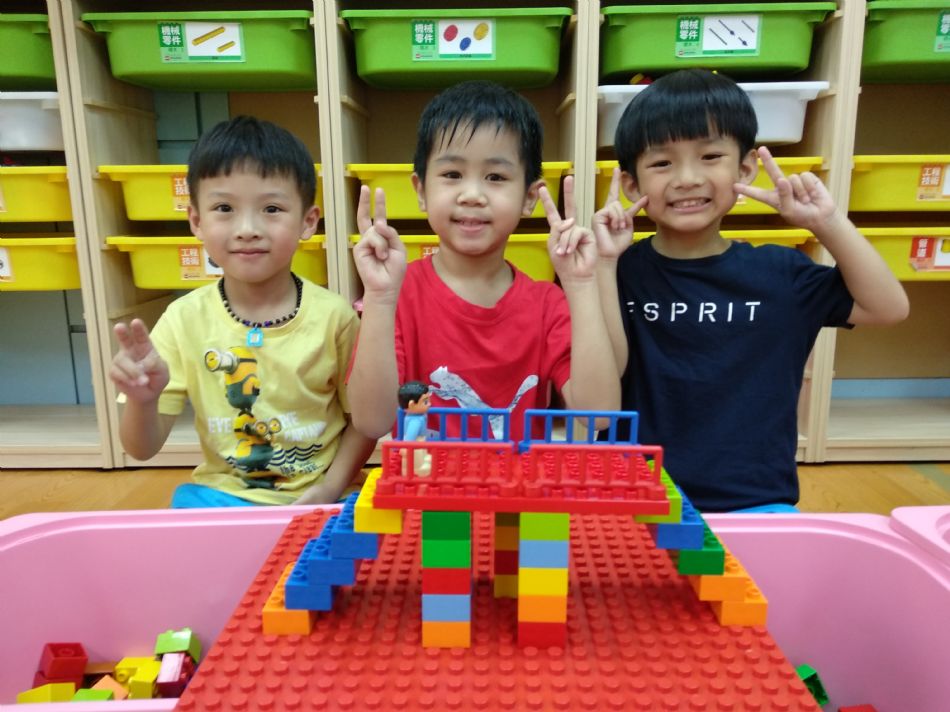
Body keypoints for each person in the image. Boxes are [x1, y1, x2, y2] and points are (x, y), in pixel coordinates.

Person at [594, 69, 909, 512]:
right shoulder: (616, 269)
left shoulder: (780, 274)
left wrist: (827, 222)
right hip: (635, 496)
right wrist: (602, 266)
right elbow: (599, 388)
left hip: (756, 500)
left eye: (710, 156)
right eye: (662, 163)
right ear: (632, 185)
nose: (687, 178)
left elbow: (887, 308)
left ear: (744, 170)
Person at [109, 116, 374, 507]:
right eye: (224, 208)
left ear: (308, 222)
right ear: (196, 221)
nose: (247, 228)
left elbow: (365, 424)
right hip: (222, 497)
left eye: (271, 208)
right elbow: (141, 449)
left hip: (325, 494)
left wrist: (329, 489)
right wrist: (142, 401)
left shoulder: (335, 318)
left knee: (373, 526)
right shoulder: (183, 320)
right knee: (185, 514)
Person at [348, 80, 619, 443]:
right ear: (420, 191)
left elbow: (599, 415)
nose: (472, 195)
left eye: (495, 177)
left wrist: (581, 285)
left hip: (518, 480)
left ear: (529, 198)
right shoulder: (398, 294)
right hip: (423, 480)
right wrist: (380, 298)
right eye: (452, 175)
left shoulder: (548, 304)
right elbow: (370, 422)